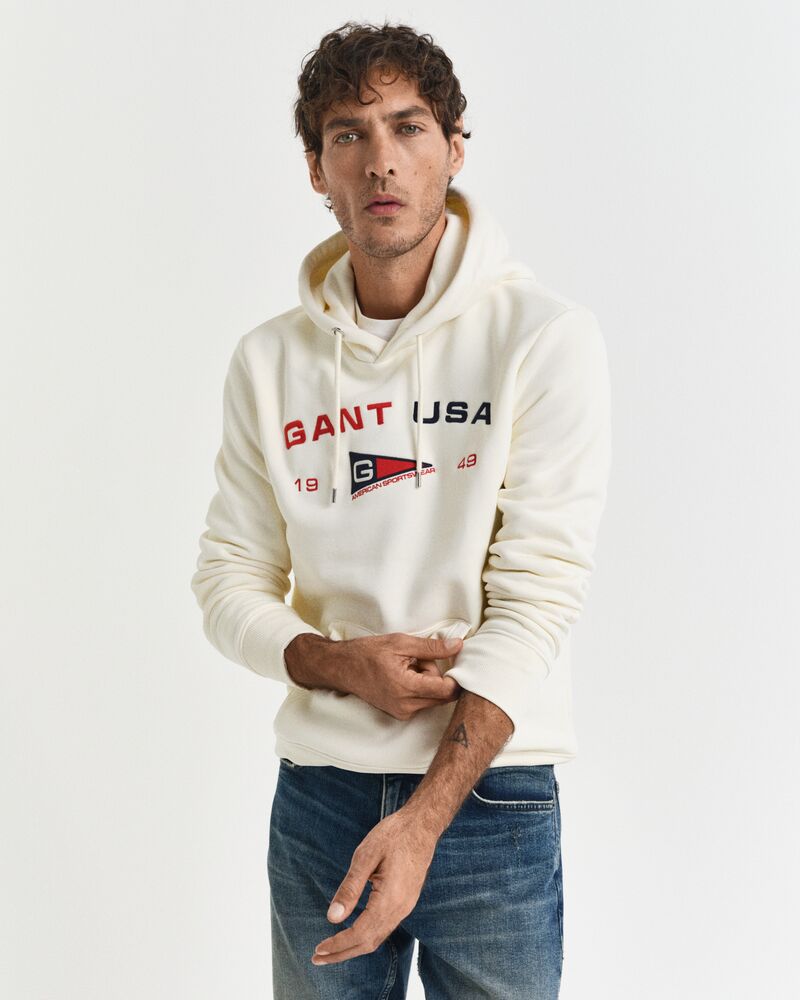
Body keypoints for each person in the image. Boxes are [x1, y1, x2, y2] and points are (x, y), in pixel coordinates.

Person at [190, 19, 612, 1000]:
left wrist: (423, 819)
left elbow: (540, 591)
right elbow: (226, 574)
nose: (380, 160)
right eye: (349, 133)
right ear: (316, 168)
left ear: (454, 149)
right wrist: (336, 663)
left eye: (408, 126)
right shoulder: (269, 361)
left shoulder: (543, 339)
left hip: (491, 794)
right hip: (320, 795)